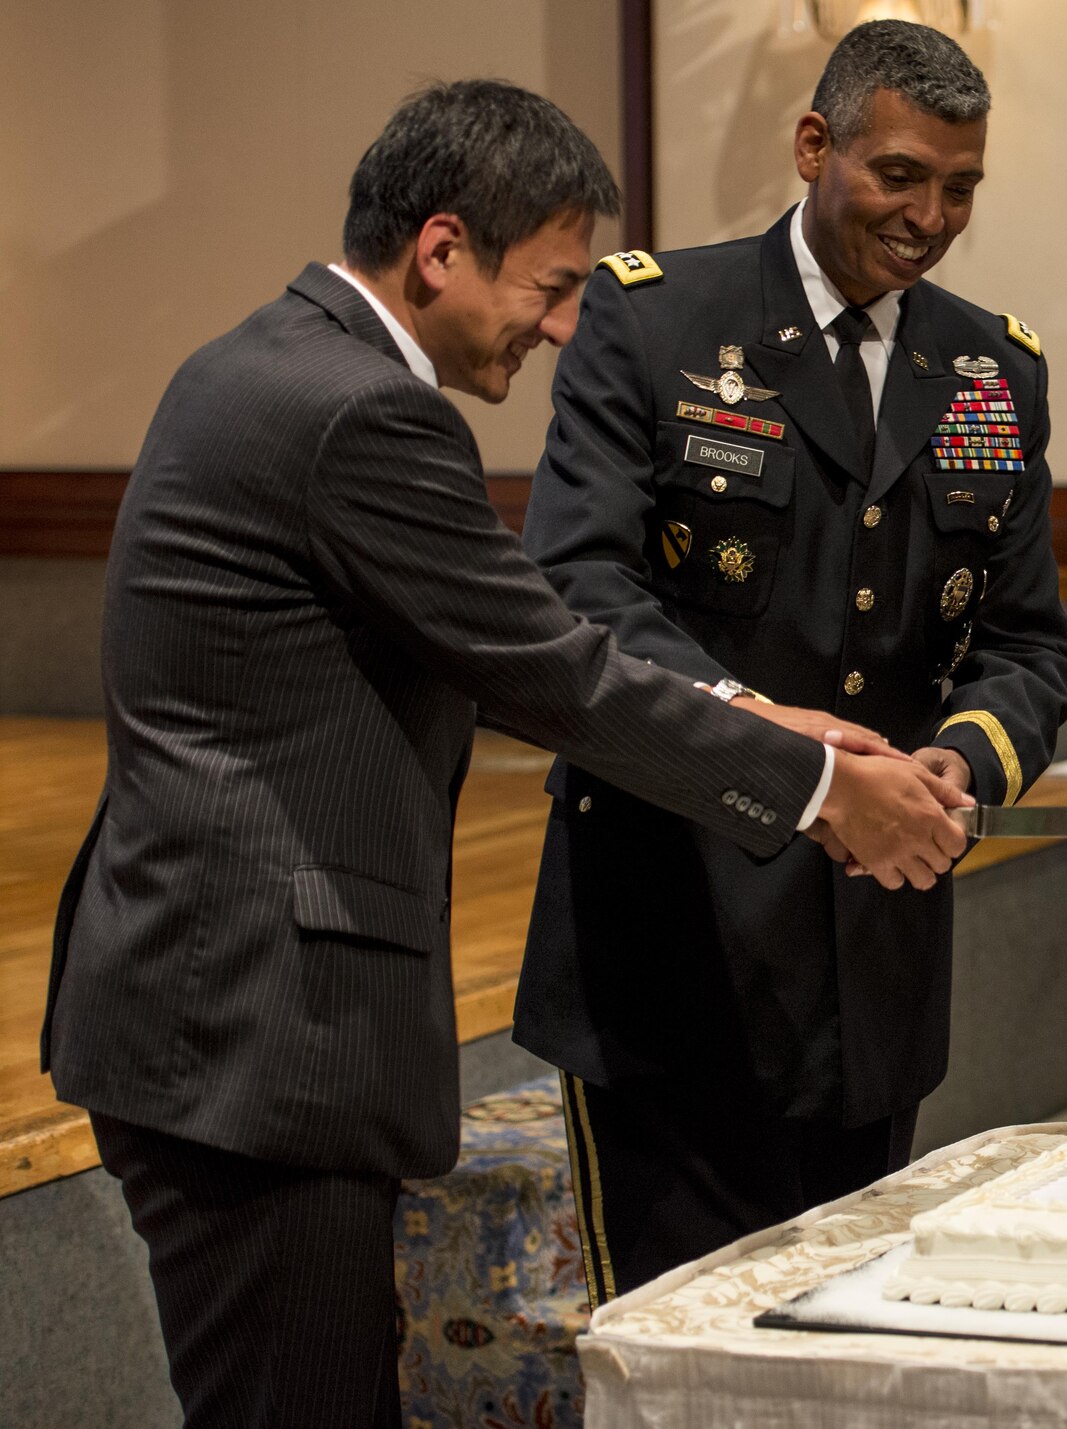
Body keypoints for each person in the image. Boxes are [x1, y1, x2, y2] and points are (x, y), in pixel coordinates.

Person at [40, 80, 970, 1429]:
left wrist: (771, 722)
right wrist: (826, 791)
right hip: (259, 1038)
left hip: (203, 1009)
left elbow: (512, 651)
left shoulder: (265, 360)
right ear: (440, 249)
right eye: (548, 285)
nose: (562, 325)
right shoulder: (362, 413)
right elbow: (556, 672)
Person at [512, 20, 1067, 1300]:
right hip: (671, 940)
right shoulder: (657, 319)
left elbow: (1026, 642)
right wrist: (785, 756)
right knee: (679, 1343)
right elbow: (577, 587)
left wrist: (958, 765)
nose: (928, 216)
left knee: (845, 1338)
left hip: (873, 959)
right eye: (899, 175)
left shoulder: (993, 367)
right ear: (814, 146)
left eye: (960, 188)